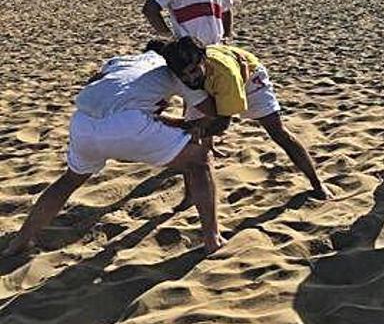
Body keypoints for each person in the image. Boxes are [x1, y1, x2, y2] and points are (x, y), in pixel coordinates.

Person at [2, 48, 224, 256]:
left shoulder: (122, 62)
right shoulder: (173, 69)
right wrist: (198, 124)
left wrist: (172, 122)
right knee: (200, 160)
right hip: (127, 124)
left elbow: (98, 85)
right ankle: (212, 238)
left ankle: (21, 240)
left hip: (83, 121)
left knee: (69, 180)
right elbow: (209, 112)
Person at [158, 37, 327, 198]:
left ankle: (317, 183)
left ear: (203, 59)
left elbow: (223, 123)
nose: (190, 78)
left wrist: (193, 130)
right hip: (210, 83)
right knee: (192, 142)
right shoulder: (178, 72)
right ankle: (190, 196)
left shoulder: (225, 74)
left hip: (250, 78)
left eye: (193, 71)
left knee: (277, 131)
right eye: (183, 75)